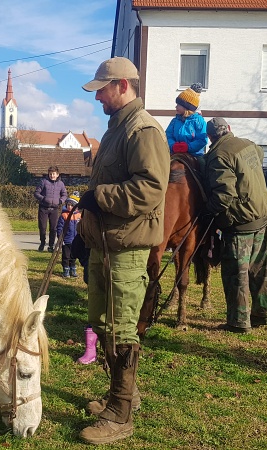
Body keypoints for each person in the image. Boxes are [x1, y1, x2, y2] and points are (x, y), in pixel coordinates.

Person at [76, 56, 170, 445]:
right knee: (102, 320)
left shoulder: (142, 130)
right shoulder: (117, 128)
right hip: (106, 242)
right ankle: (122, 394)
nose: (98, 98)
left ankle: (121, 415)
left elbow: (150, 188)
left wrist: (101, 196)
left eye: (102, 90)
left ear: (122, 86)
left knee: (119, 328)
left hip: (128, 245)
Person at [203, 117, 267, 332]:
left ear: (210, 137)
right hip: (262, 216)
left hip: (240, 223)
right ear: (229, 129)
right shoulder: (251, 145)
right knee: (261, 269)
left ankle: (239, 321)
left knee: (237, 274)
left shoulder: (218, 155)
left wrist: (207, 212)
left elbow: (225, 194)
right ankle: (264, 313)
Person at [165, 83, 206, 156]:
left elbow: (202, 140)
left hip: (195, 154)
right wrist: (173, 146)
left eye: (178, 105)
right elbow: (168, 136)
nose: (176, 107)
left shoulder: (199, 121)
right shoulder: (175, 121)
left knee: (203, 165)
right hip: (175, 153)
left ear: (186, 107)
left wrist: (188, 147)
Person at [33, 166, 67, 252]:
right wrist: (43, 199)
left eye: (54, 174)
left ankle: (51, 245)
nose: (52, 175)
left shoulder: (61, 184)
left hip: (54, 209)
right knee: (42, 227)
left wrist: (60, 201)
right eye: (50, 174)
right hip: (43, 208)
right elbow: (36, 193)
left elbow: (64, 195)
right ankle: (42, 243)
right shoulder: (44, 182)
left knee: (53, 228)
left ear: (57, 174)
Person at [56, 192, 82, 278]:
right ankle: (66, 269)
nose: (69, 207)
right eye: (68, 205)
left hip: (76, 240)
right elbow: (60, 227)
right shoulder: (64, 215)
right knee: (66, 256)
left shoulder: (79, 216)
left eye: (72, 205)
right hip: (66, 240)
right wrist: (60, 238)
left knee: (73, 256)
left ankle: (73, 268)